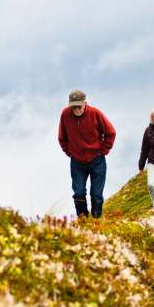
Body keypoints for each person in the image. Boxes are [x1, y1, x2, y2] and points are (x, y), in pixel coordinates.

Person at [58, 89, 116, 218]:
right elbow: (62, 137)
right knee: (78, 193)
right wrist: (70, 153)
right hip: (77, 162)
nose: (77, 109)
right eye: (74, 107)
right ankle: (83, 220)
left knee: (96, 194)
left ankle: (96, 220)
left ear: (85, 103)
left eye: (79, 106)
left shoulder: (95, 113)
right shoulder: (65, 114)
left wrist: (103, 151)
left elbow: (110, 132)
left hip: (97, 161)